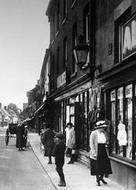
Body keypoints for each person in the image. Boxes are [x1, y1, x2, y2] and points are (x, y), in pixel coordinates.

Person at [89, 120, 112, 186]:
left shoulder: (104, 133)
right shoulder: (93, 133)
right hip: (97, 150)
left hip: (103, 150)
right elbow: (91, 144)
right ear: (99, 127)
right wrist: (93, 152)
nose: (104, 128)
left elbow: (107, 140)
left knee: (104, 165)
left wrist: (106, 144)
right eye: (103, 127)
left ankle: (101, 177)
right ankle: (97, 180)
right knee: (97, 166)